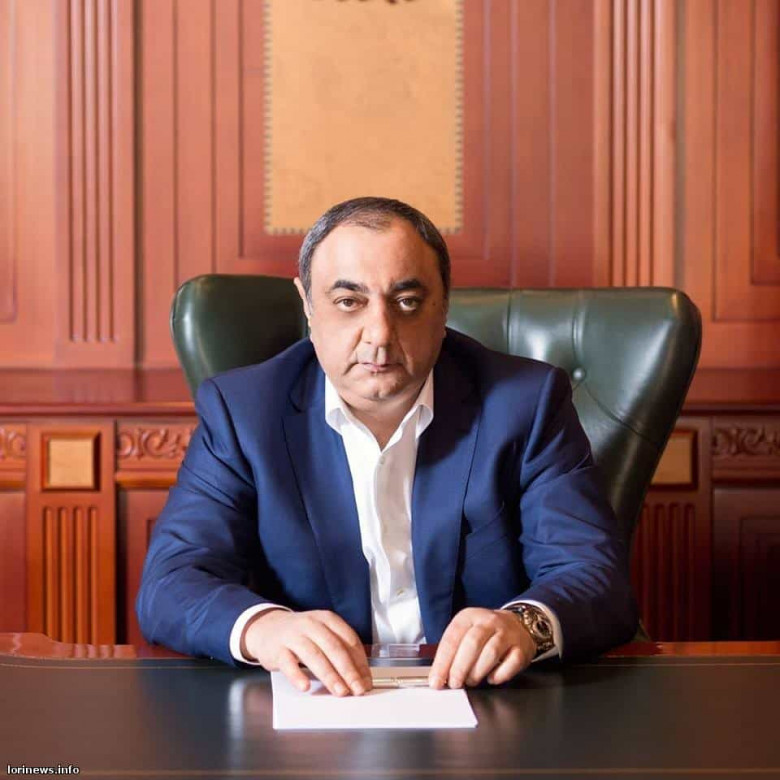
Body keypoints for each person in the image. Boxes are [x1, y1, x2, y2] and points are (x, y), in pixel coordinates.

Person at [136, 197, 637, 697]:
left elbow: (595, 575)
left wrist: (524, 625)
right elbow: (170, 583)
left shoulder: (525, 405)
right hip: (316, 703)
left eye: (407, 302)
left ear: (444, 304)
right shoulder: (244, 412)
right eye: (348, 301)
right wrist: (264, 628)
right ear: (308, 304)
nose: (379, 334)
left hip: (484, 700)